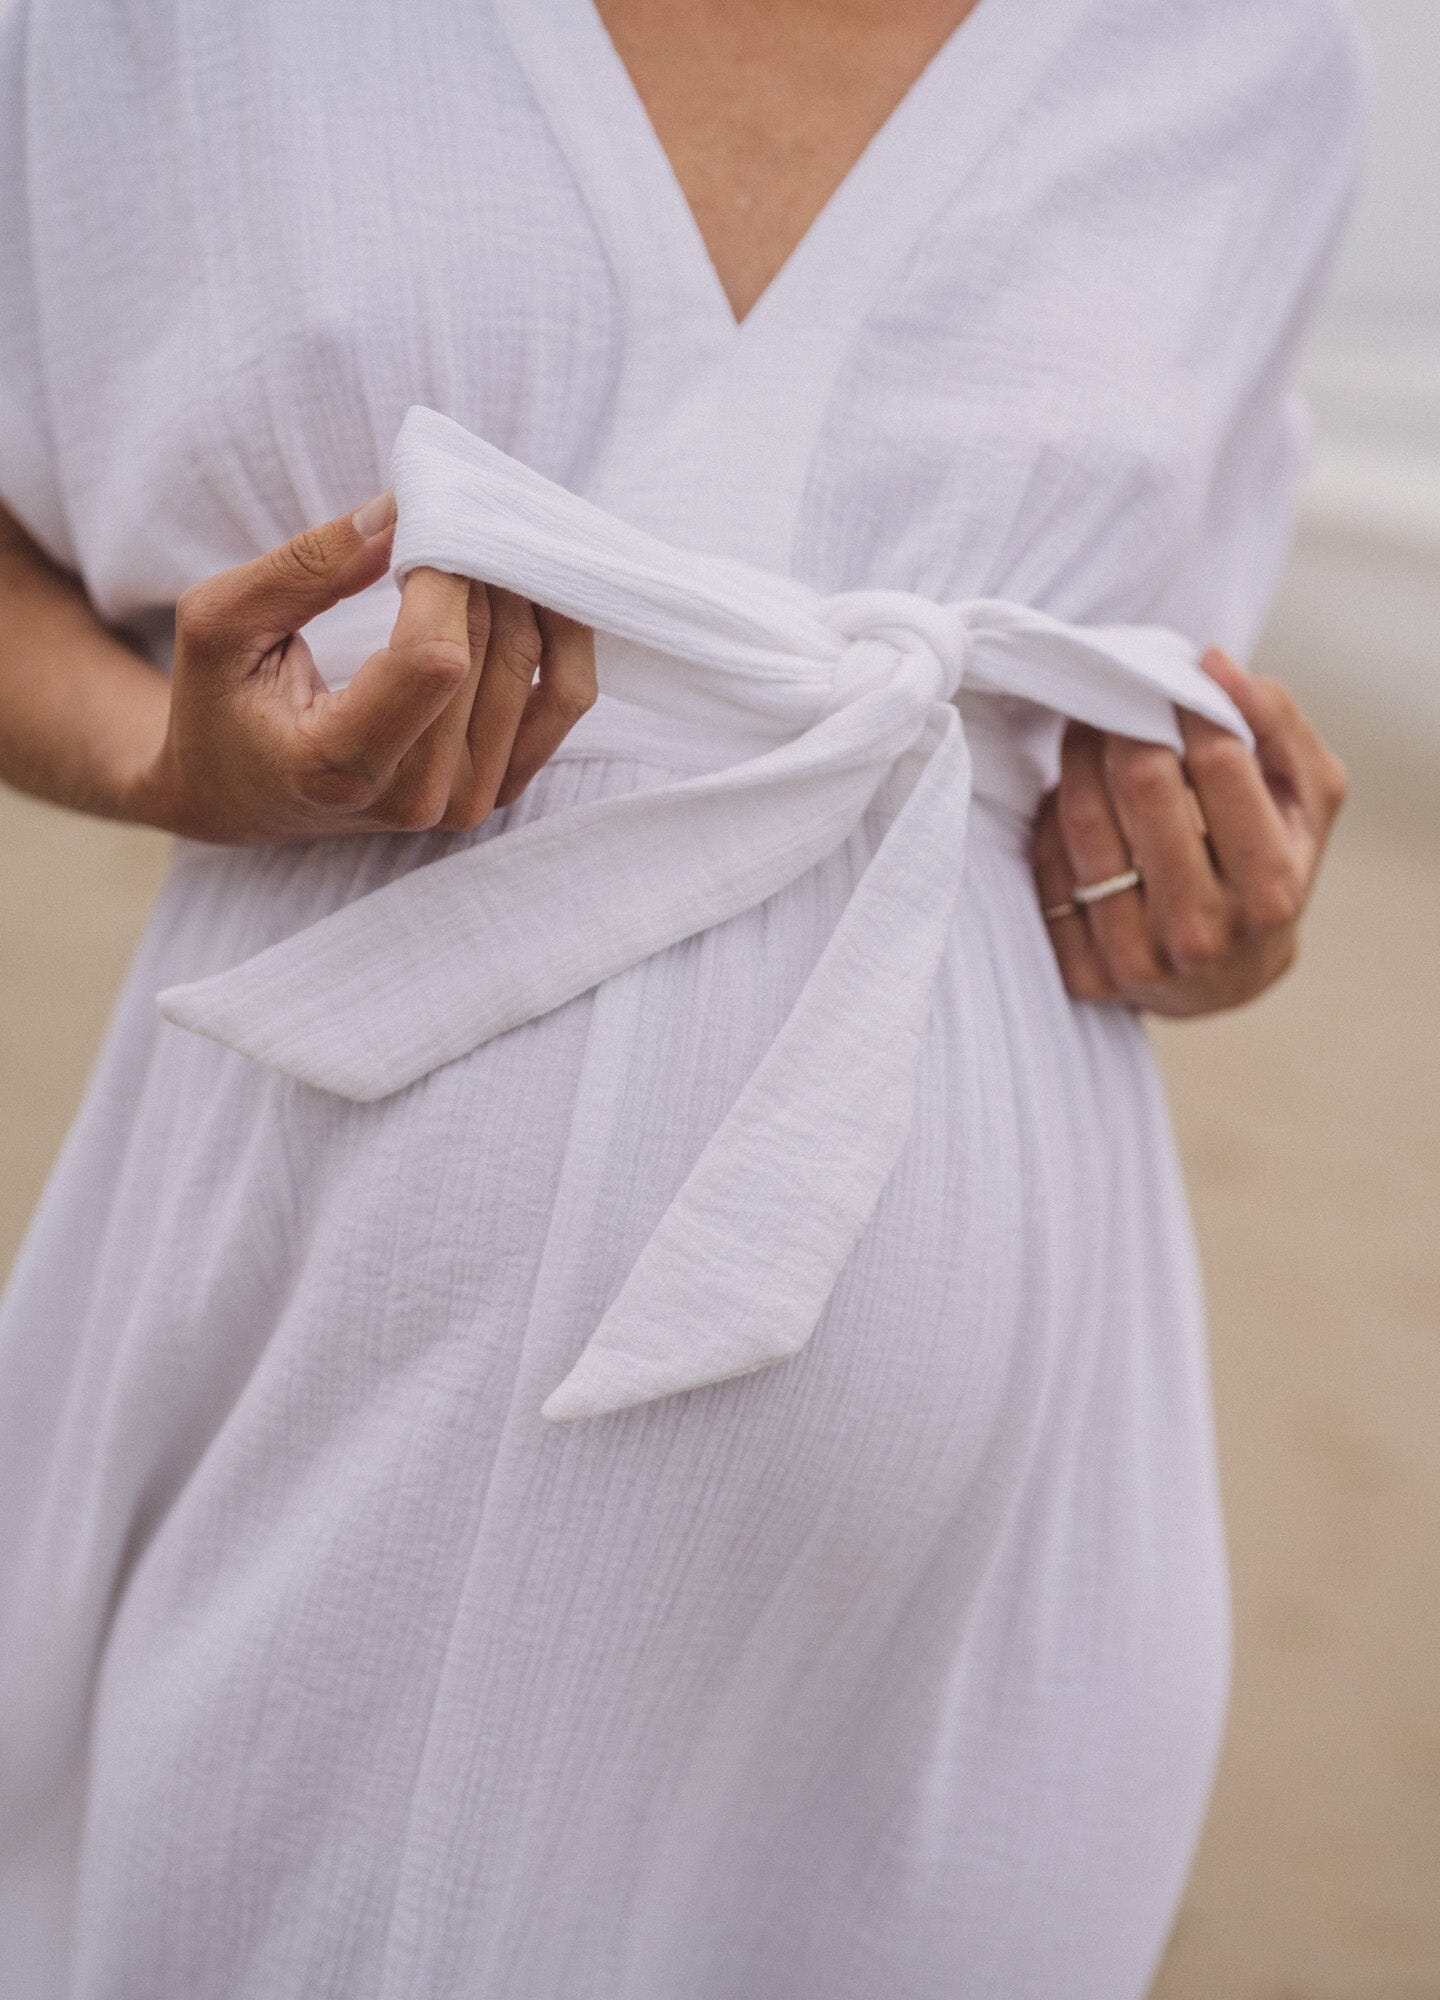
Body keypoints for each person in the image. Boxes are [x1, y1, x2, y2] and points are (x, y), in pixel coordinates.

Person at [0, 1, 1361, 1994]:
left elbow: (1143, 698)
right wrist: (155, 754)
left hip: (971, 1518)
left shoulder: (1252, 55)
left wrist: (1216, 893)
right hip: (299, 1353)